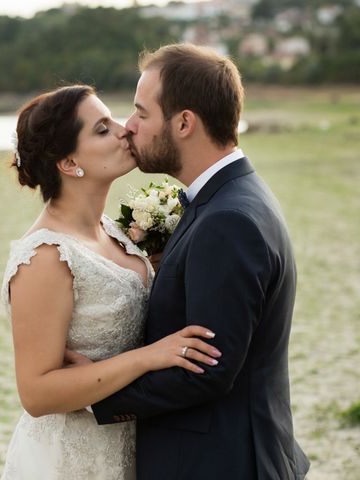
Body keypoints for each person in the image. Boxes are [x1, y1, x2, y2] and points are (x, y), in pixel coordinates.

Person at [88, 44, 311, 479]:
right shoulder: (230, 197)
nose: (129, 127)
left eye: (141, 113)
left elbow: (207, 370)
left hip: (221, 463)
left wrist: (94, 392)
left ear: (184, 122)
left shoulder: (227, 220)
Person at [0, 85, 221, 478]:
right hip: (72, 459)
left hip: (132, 438)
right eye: (102, 129)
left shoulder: (112, 231)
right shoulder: (46, 257)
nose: (125, 130)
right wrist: (148, 357)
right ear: (69, 163)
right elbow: (35, 393)